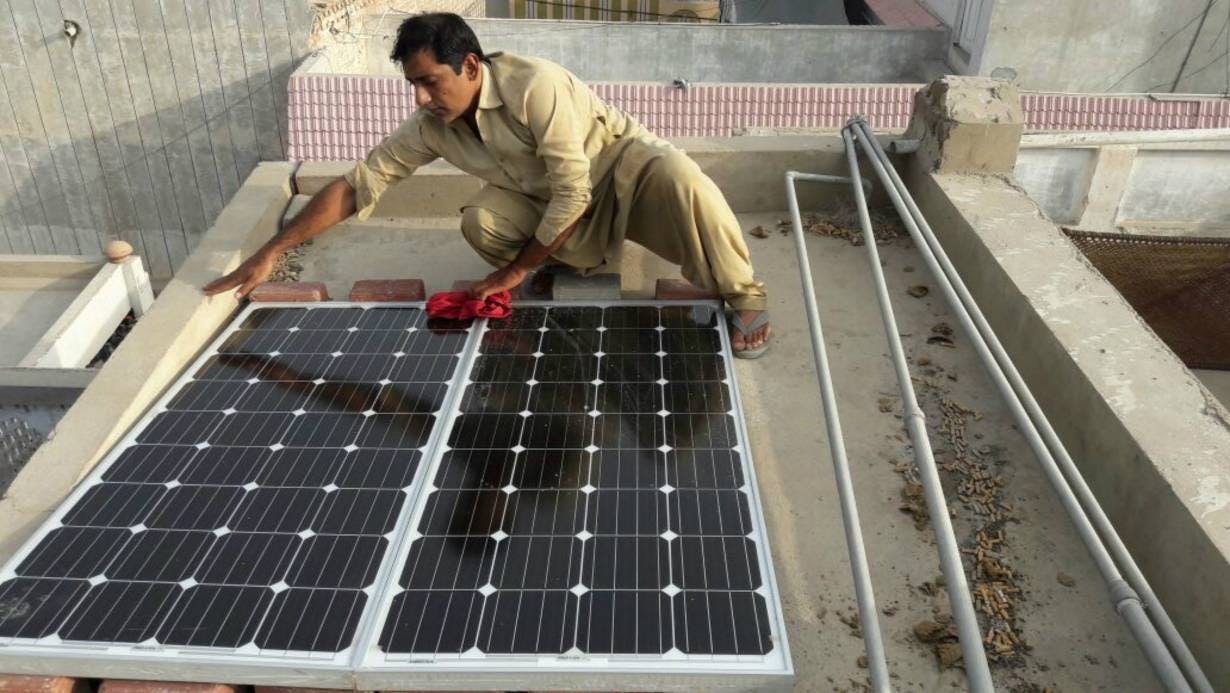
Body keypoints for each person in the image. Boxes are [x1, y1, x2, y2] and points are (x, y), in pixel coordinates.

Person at [204, 13, 771, 357]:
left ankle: (744, 292)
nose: (421, 99)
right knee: (481, 221)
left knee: (682, 178)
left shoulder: (535, 86)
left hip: (619, 173)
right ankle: (573, 261)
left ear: (470, 66)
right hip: (550, 200)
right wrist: (271, 252)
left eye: (429, 82)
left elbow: (576, 190)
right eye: (413, 85)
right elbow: (359, 183)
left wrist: (515, 271)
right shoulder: (433, 124)